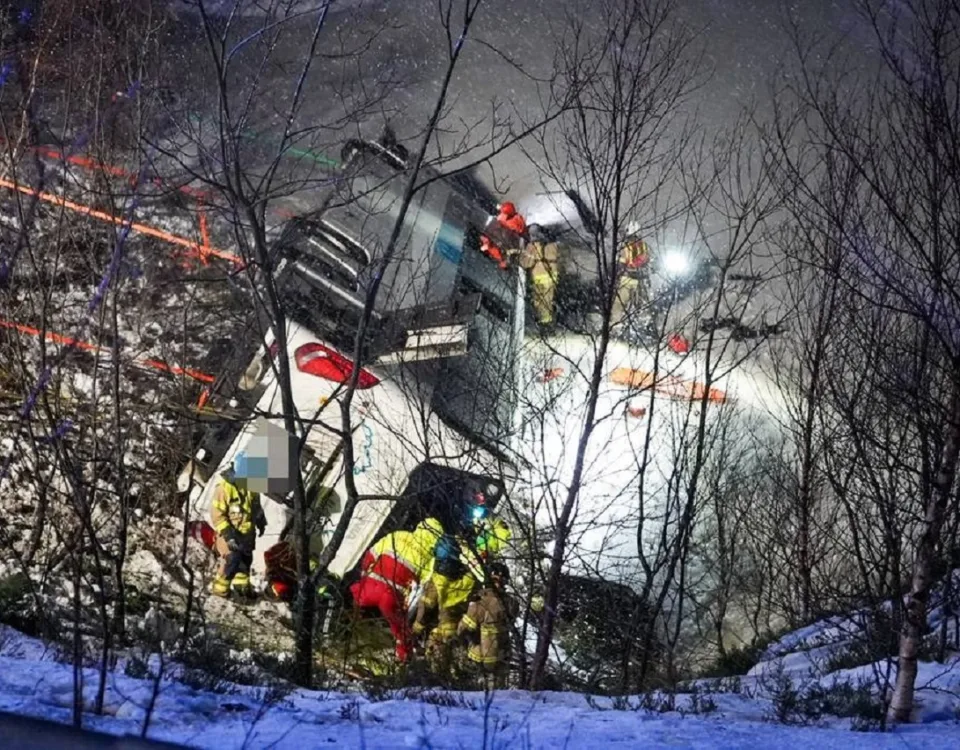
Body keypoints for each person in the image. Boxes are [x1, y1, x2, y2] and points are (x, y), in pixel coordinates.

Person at [349, 517, 444, 662]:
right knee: (401, 629)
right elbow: (422, 584)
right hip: (392, 596)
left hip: (369, 586)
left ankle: (345, 632)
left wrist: (364, 575)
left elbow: (371, 554)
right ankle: (404, 657)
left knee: (352, 600)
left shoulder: (398, 534)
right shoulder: (429, 557)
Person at [210, 457, 266, 599]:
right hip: (228, 534)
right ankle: (220, 590)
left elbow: (255, 506)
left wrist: (261, 521)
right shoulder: (224, 489)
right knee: (233, 559)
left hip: (247, 533)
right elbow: (217, 515)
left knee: (246, 561)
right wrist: (229, 535)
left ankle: (241, 587)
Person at [458, 561, 514, 688]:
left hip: (480, 658)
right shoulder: (511, 603)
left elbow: (462, 630)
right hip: (502, 656)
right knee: (500, 693)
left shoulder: (479, 604)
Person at [520, 224, 561, 328]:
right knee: (548, 300)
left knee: (539, 302)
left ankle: (544, 324)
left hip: (539, 278)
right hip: (552, 276)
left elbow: (526, 263)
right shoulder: (553, 244)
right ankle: (549, 321)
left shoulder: (532, 247)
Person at [611, 233, 652, 333]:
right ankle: (644, 325)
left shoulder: (625, 247)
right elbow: (649, 261)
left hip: (629, 279)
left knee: (620, 303)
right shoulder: (643, 246)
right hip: (636, 279)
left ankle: (616, 325)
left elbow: (620, 263)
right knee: (641, 304)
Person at [480, 202, 527, 270]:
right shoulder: (505, 254)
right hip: (507, 234)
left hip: (499, 229)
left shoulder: (501, 224)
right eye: (503, 265)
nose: (501, 264)